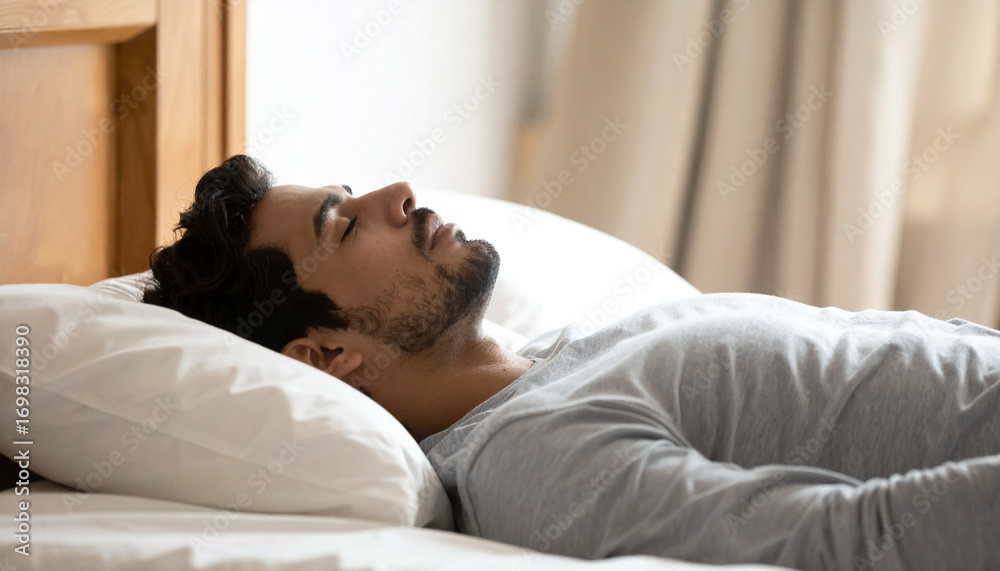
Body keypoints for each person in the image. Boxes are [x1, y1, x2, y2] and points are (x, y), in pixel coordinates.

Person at [144, 155, 1000, 571]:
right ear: (329, 354)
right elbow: (849, 546)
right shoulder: (533, 459)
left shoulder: (561, 357)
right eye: (344, 224)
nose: (397, 194)